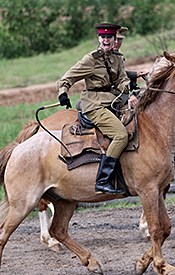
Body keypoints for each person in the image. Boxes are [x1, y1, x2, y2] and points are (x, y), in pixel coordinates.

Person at [56, 23, 131, 195]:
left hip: (113, 101)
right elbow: (67, 78)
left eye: (110, 37)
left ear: (114, 40)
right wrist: (63, 93)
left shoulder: (117, 57)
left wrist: (125, 86)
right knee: (120, 135)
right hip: (95, 105)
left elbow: (121, 79)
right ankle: (102, 180)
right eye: (103, 37)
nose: (106, 40)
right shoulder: (91, 59)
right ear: (99, 39)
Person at [113, 26, 147, 104]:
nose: (117, 42)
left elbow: (119, 73)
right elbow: (111, 81)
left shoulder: (116, 54)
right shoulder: (103, 57)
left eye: (120, 39)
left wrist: (136, 74)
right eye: (115, 39)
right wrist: (127, 97)